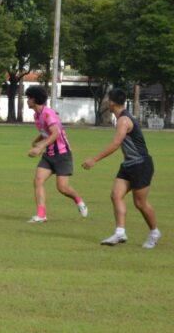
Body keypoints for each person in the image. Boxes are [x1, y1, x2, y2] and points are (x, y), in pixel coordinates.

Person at [82, 88, 161, 248]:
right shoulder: (121, 118)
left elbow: (116, 144)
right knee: (116, 195)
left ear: (111, 102)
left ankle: (154, 232)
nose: (106, 102)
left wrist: (94, 160)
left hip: (141, 164)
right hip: (128, 164)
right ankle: (120, 232)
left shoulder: (124, 120)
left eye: (107, 100)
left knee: (140, 203)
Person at [25, 85, 88, 223]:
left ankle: (79, 200)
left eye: (29, 97)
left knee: (62, 188)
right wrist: (36, 141)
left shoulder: (48, 113)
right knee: (38, 181)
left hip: (62, 154)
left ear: (34, 99)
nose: (27, 100)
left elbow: (55, 133)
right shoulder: (37, 115)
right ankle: (41, 215)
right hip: (49, 154)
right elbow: (45, 132)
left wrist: (40, 147)